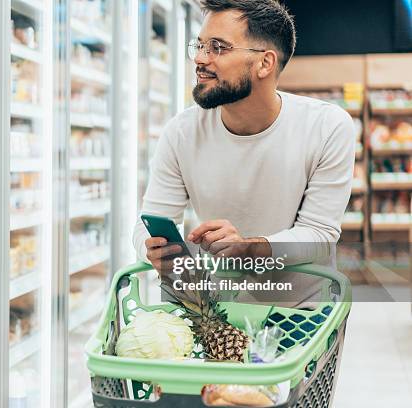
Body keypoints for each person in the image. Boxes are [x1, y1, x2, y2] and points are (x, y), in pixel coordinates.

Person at [133, 0, 355, 281]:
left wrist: (251, 247)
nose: (200, 59)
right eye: (200, 46)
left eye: (218, 47)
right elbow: (147, 223)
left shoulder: (327, 127)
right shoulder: (181, 133)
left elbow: (320, 234)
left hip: (304, 312)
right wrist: (152, 249)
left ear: (265, 63)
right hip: (219, 307)